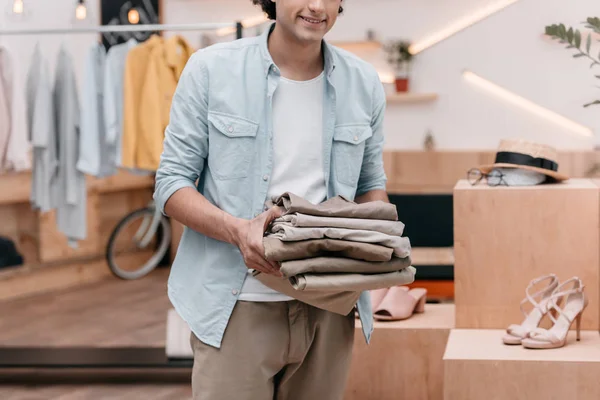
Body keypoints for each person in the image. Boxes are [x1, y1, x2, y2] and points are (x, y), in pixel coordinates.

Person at [153, 0, 390, 398]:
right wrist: (238, 231)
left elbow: (371, 186)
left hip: (328, 304)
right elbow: (171, 184)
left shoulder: (363, 82)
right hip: (234, 305)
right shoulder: (211, 70)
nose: (316, 6)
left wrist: (374, 251)